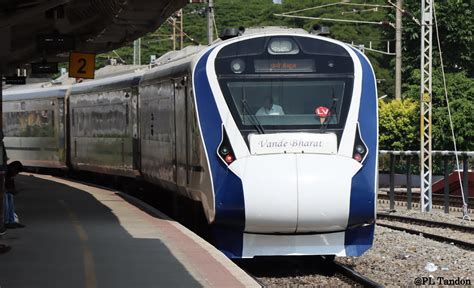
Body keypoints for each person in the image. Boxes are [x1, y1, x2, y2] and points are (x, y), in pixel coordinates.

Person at [4, 161, 25, 229]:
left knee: (10, 197)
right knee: (6, 200)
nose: (16, 174)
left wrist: (13, 191)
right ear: (13, 168)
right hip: (3, 191)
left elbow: (11, 186)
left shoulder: (11, 173)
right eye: (16, 172)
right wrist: (10, 190)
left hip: (6, 191)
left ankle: (11, 221)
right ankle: (6, 222)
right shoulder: (5, 172)